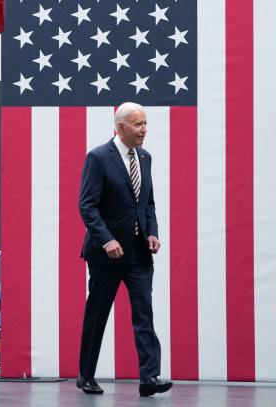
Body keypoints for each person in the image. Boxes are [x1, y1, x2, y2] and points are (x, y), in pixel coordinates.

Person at [76, 102, 171, 397]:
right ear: (121, 127)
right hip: (106, 255)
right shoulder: (98, 157)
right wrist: (107, 239)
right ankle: (86, 375)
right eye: (138, 124)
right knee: (98, 313)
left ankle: (149, 377)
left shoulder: (145, 157)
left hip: (139, 254)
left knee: (144, 313)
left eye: (145, 124)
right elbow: (87, 206)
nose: (144, 130)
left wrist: (152, 232)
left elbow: (148, 203)